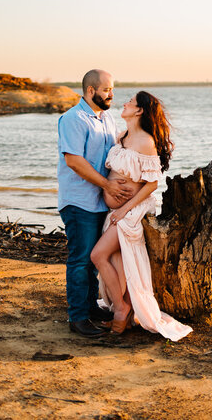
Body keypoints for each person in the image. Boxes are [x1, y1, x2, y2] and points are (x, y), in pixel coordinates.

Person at [90, 91, 193, 341]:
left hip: (131, 212)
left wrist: (125, 209)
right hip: (116, 211)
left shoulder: (146, 141)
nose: (124, 103)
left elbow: (151, 183)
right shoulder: (122, 136)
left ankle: (122, 309)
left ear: (139, 111)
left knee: (98, 255)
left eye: (130, 102)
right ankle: (122, 309)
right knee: (116, 261)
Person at [57, 69, 133, 338]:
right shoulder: (73, 119)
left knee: (91, 260)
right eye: (106, 89)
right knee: (80, 260)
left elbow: (118, 148)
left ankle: (90, 307)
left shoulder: (107, 117)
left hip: (100, 203)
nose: (111, 94)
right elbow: (74, 161)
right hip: (79, 201)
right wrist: (108, 185)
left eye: (112, 89)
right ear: (91, 91)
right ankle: (78, 318)